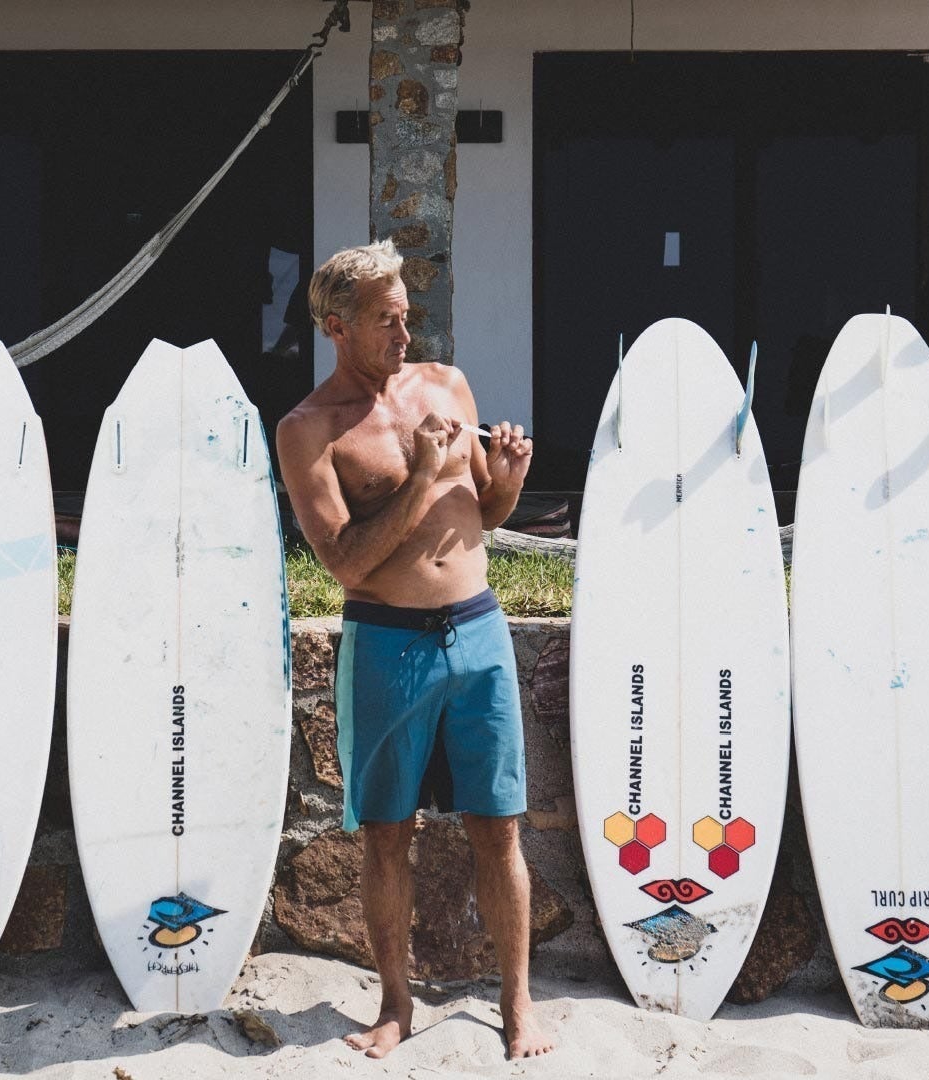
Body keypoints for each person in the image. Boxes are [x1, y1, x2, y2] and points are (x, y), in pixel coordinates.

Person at [275, 240, 550, 1061]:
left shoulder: (447, 385)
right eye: (386, 321)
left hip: (478, 629)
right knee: (387, 833)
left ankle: (519, 1005)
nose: (405, 334)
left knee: (498, 827)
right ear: (336, 327)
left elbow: (486, 516)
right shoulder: (309, 431)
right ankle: (395, 1007)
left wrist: (504, 477)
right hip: (389, 646)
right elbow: (344, 562)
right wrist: (423, 477)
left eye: (408, 317)